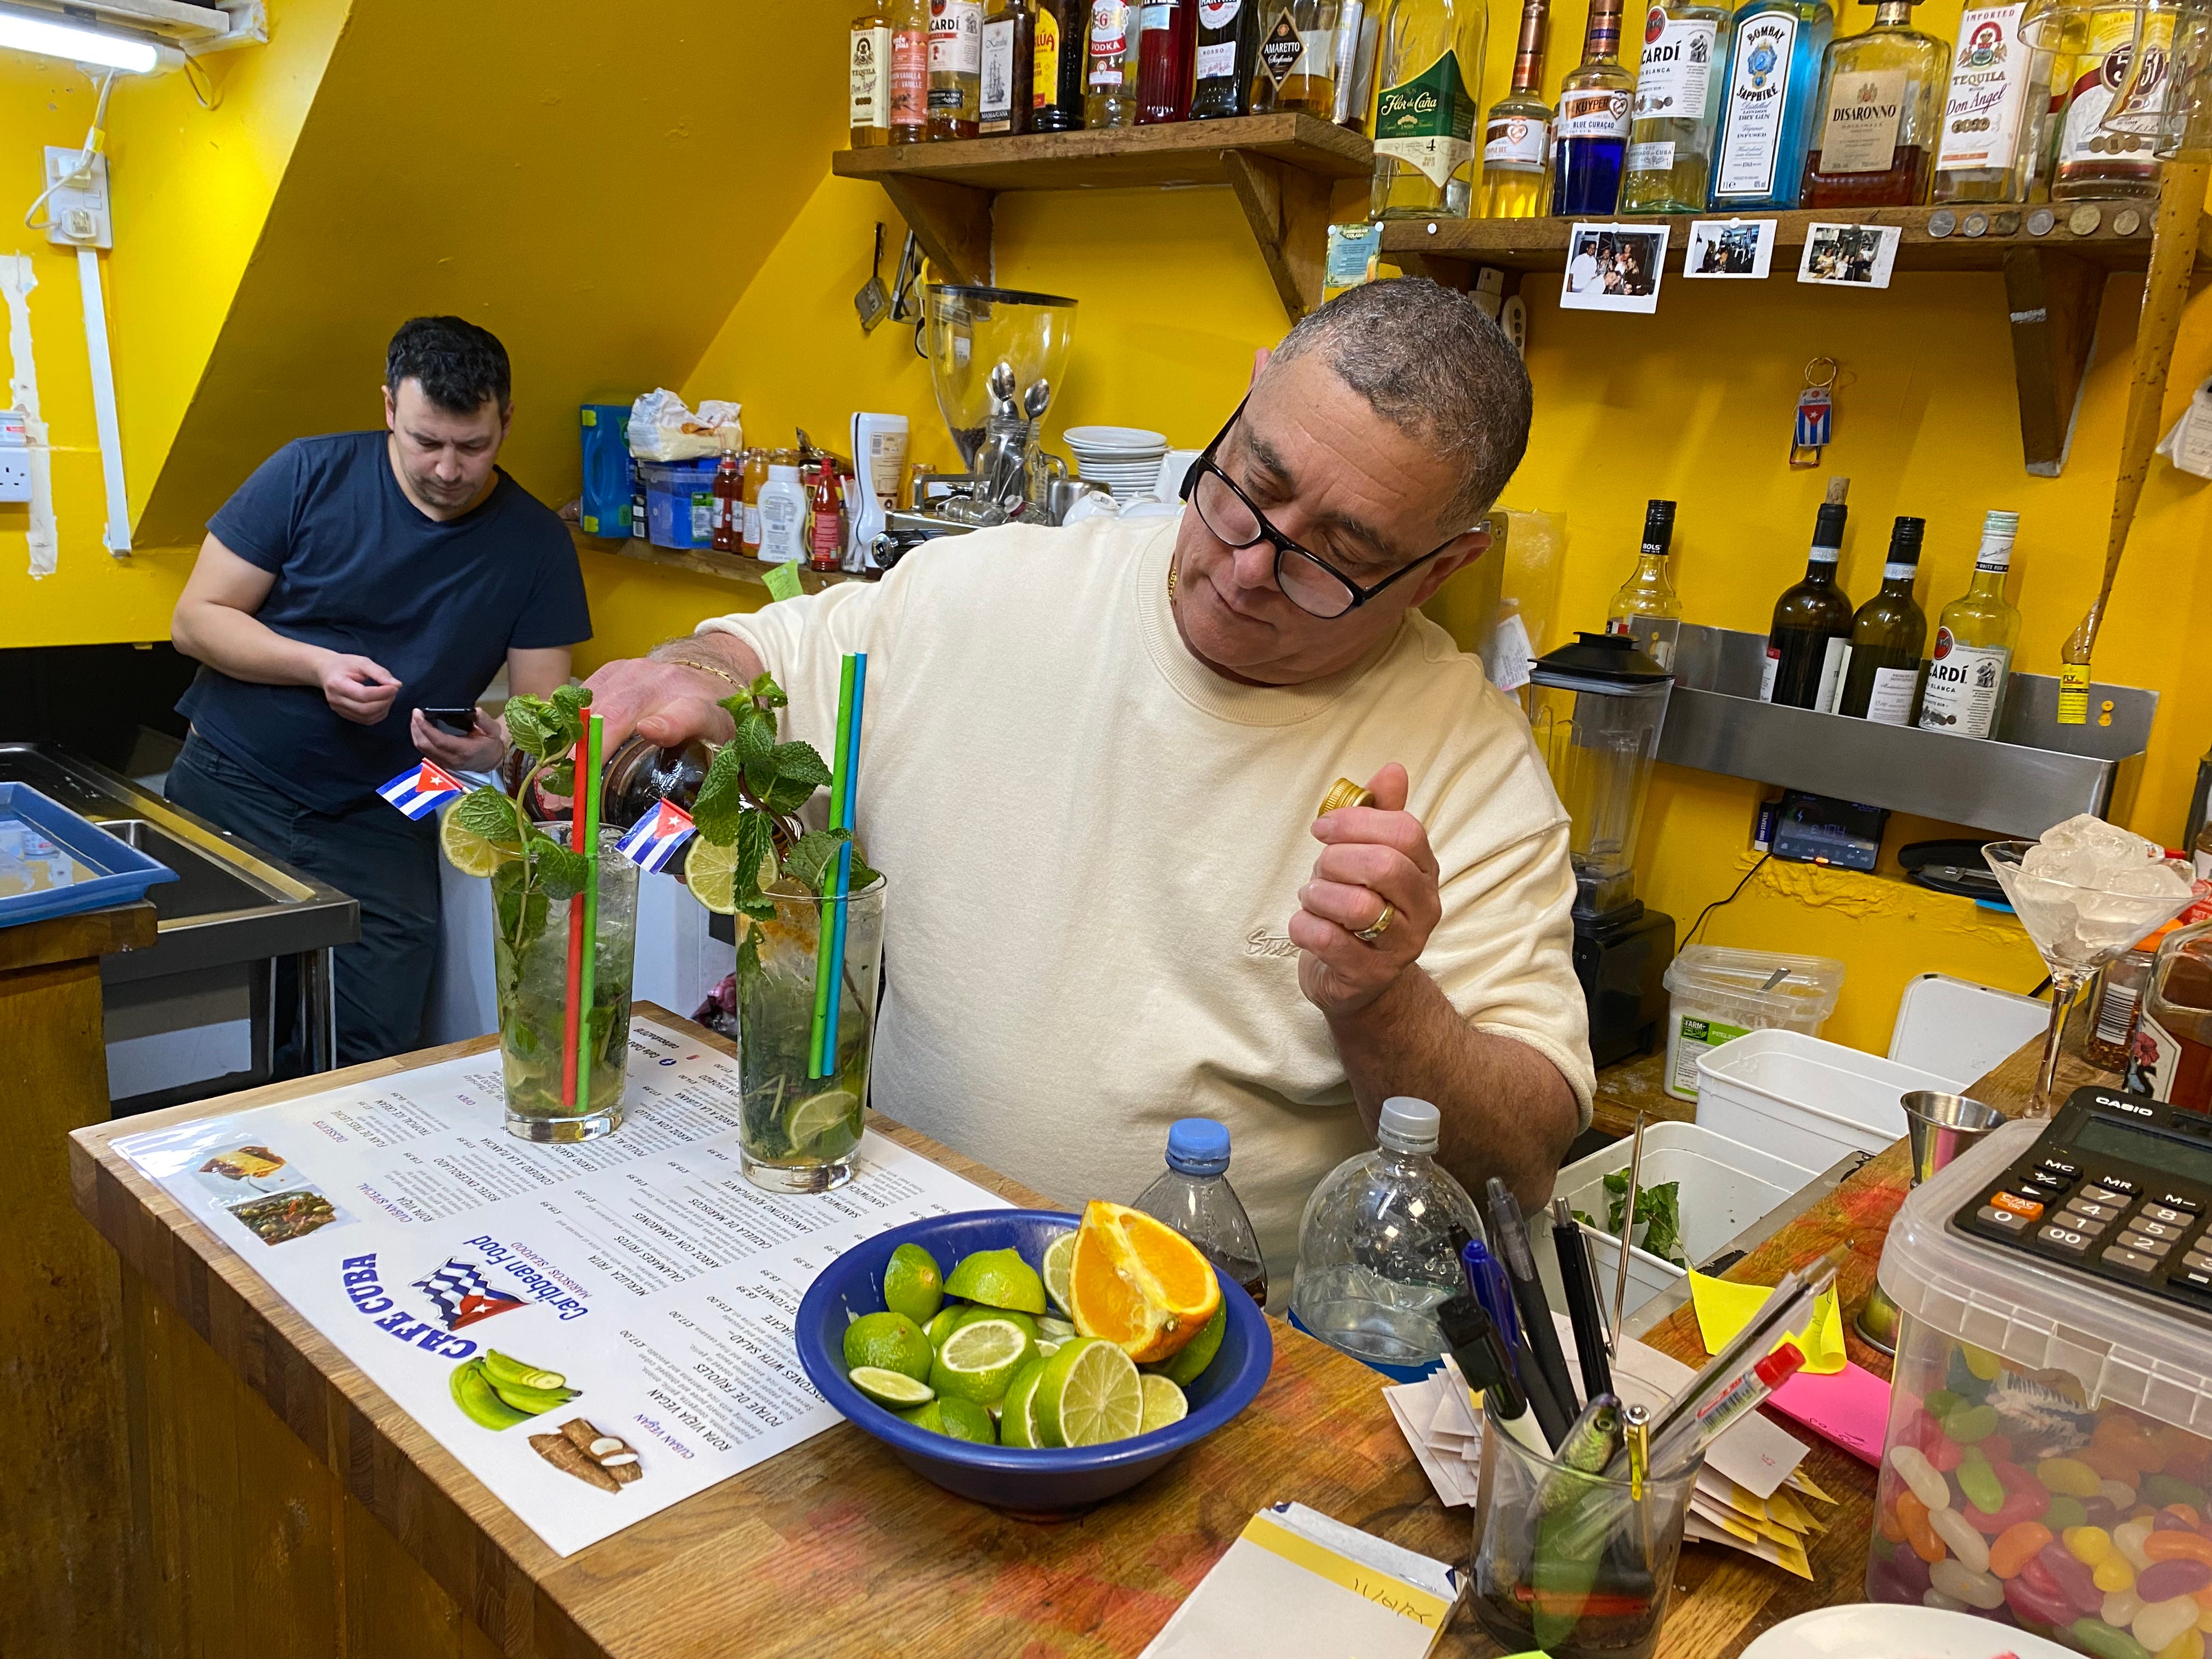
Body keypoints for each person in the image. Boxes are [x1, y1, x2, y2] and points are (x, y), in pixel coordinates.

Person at [589, 277, 1591, 1287]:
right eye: (1249, 486)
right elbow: (763, 660)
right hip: (899, 1265)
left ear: (1440, 570)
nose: (1249, 568)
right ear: (1248, 398)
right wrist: (694, 676)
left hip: (1208, 1335)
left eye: (1334, 555)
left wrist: (1383, 1003)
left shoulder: (1472, 766)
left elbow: (1519, 1166)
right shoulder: (984, 591)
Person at [167, 315, 591, 1066]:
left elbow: (540, 719)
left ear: (506, 422)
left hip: (391, 806)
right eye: (427, 442)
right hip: (235, 781)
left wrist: (494, 749)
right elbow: (196, 621)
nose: (449, 470)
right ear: (390, 408)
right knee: (219, 1036)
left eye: (473, 446)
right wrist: (318, 667)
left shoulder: (536, 543)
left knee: (375, 1044)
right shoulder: (307, 473)